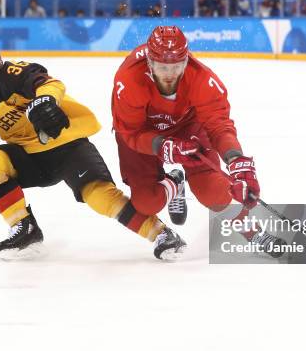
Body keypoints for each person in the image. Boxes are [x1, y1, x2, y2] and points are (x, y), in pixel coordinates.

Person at [0, 35, 186, 261]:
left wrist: (45, 100)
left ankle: (162, 234)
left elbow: (50, 84)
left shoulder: (14, 73)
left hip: (67, 144)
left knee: (100, 197)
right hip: (30, 158)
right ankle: (24, 228)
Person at [110, 26, 260, 224]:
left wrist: (235, 159)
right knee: (147, 203)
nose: (170, 74)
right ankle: (176, 182)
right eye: (163, 67)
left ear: (186, 60)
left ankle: (250, 228)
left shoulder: (202, 79)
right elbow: (130, 131)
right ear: (150, 63)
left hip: (187, 128)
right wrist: (161, 146)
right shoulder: (129, 80)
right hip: (144, 133)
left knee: (215, 194)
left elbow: (219, 126)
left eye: (177, 66)